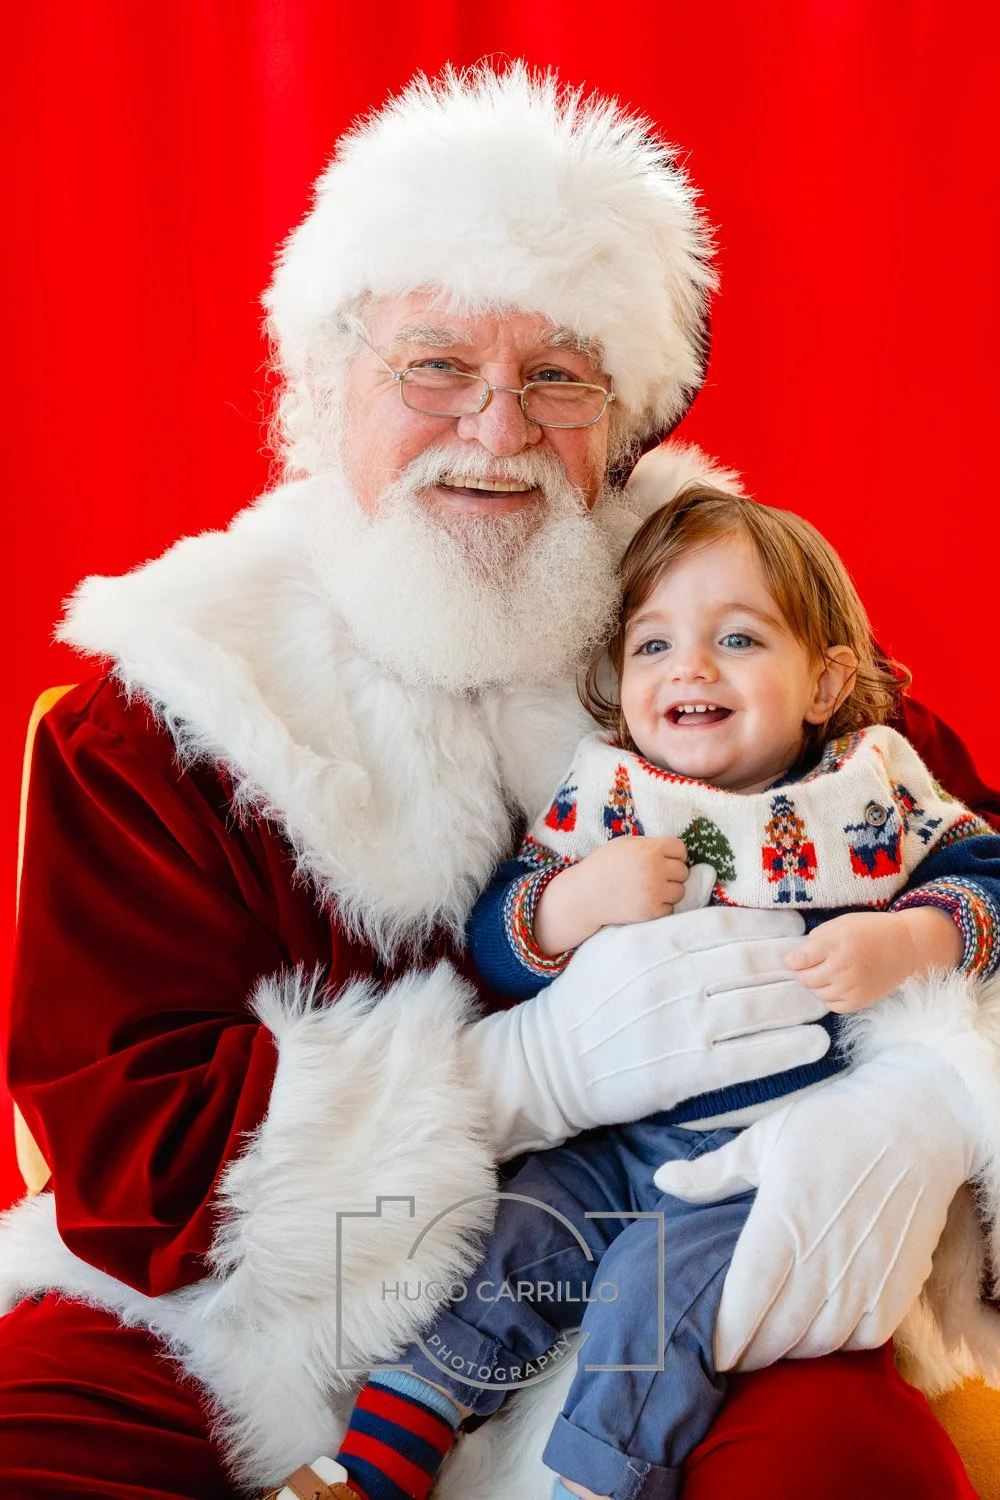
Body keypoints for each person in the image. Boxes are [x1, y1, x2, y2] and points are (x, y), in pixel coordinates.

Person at [1, 63, 997, 1500]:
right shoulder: (172, 706)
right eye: (435, 366)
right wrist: (519, 1081)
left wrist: (925, 1114)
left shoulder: (733, 621)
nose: (497, 428)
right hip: (246, 1321)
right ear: (322, 385)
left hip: (682, 1272)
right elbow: (132, 1159)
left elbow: (966, 860)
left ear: (624, 417)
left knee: (843, 1475)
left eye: (557, 377)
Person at [328, 483, 1000, 1500]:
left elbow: (988, 874)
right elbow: (495, 937)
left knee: (659, 1301)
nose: (688, 667)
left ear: (825, 682)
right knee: (513, 1238)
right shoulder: (609, 794)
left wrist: (912, 938)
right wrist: (570, 905)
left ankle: (597, 1481)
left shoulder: (873, 785)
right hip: (618, 1134)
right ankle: (375, 1459)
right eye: (653, 645)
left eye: (737, 639)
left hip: (768, 1161)